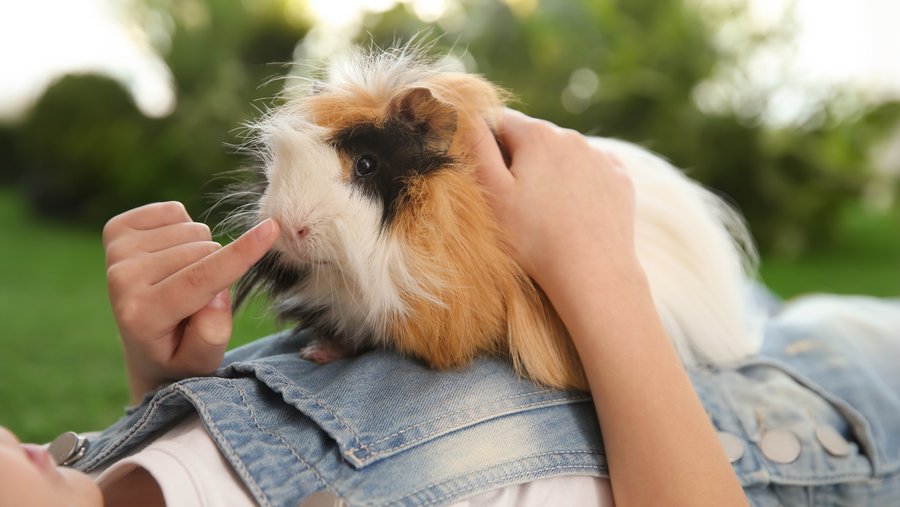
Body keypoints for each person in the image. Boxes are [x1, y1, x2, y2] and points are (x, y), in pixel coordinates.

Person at [2, 109, 898, 506]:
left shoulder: (91, 472)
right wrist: (598, 268)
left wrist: (167, 384)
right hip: (816, 413)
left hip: (698, 321)